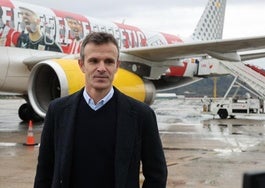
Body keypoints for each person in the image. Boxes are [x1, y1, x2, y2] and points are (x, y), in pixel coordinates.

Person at [34, 32, 167, 188]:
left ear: (117, 66)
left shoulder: (141, 115)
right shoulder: (57, 111)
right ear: (82, 65)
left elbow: (157, 174)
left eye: (109, 62)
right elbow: (45, 171)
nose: (101, 68)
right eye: (94, 61)